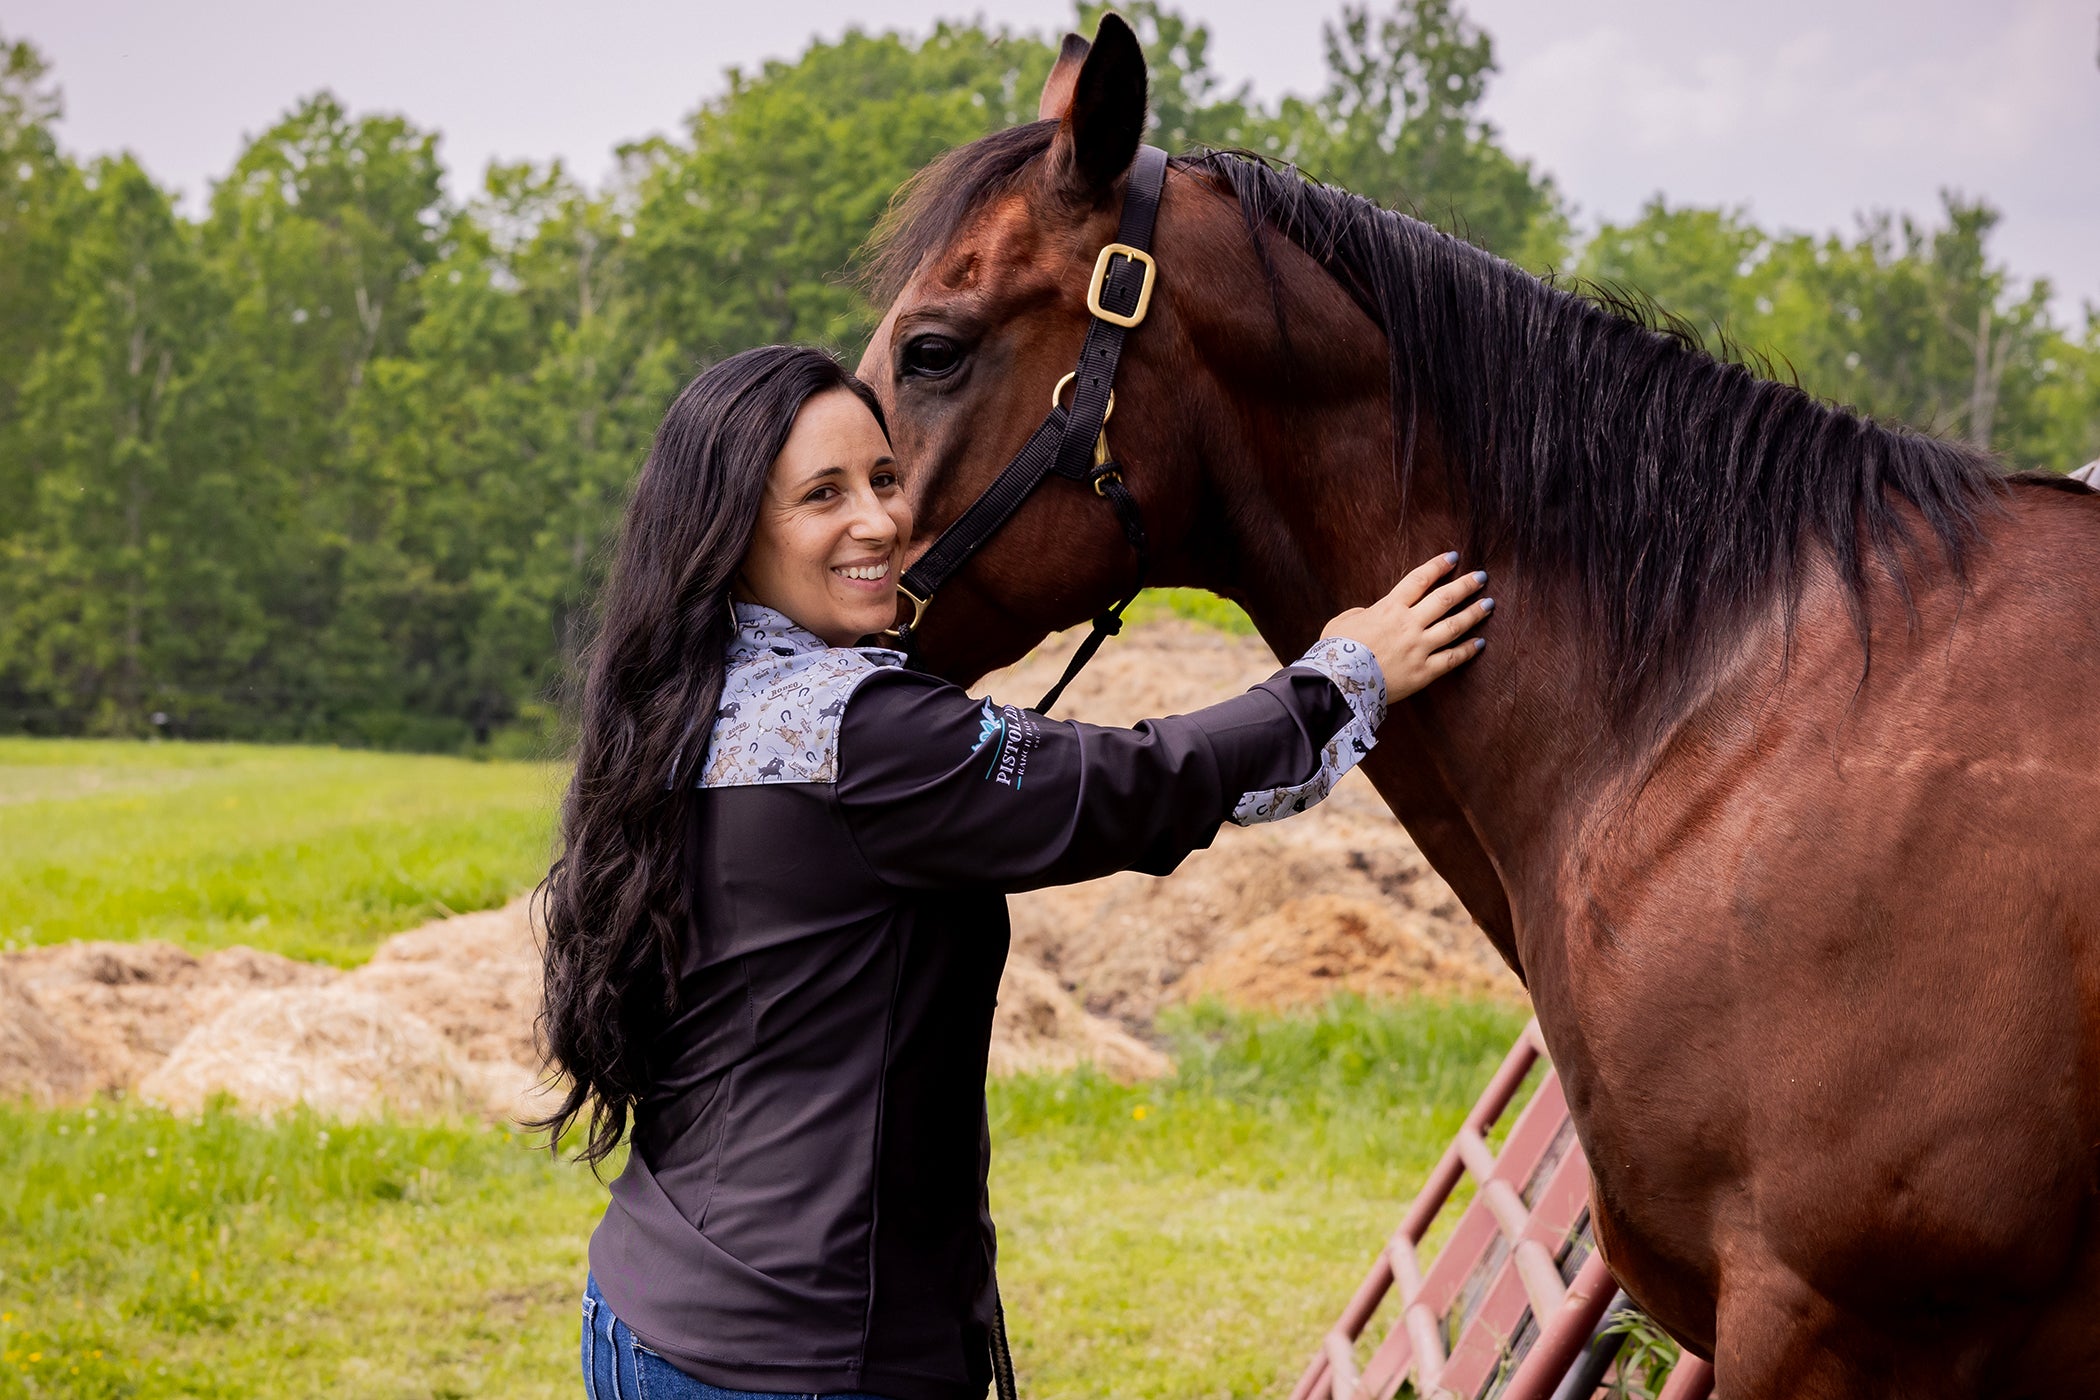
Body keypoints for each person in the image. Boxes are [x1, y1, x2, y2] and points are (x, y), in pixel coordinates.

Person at [536, 344, 1494, 1400]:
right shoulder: (864, 732)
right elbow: (1131, 783)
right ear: (731, 529)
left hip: (643, 1312)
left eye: (884, 479)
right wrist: (1340, 677)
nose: (877, 522)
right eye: (822, 494)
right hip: (799, 1359)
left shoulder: (679, 704)